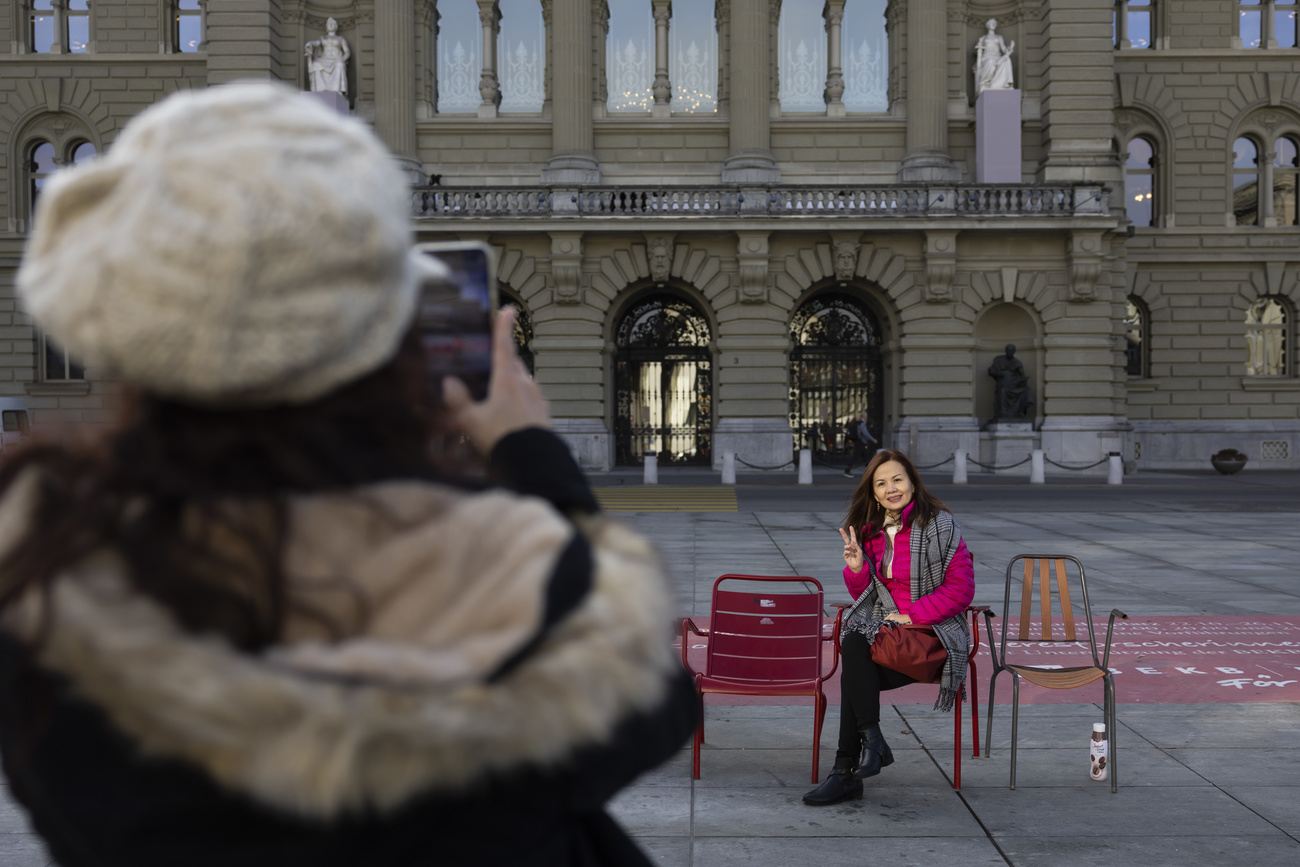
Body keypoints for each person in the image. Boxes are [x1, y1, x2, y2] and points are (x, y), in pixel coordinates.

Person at [0, 83, 696, 866]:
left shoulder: (43, 581)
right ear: (385, 331)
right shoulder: (498, 572)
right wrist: (530, 454)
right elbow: (655, 704)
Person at [804, 450, 974, 806]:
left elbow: (961, 589)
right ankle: (866, 747)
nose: (890, 488)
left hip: (932, 637)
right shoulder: (870, 531)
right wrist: (856, 568)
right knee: (854, 651)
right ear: (874, 492)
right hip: (888, 634)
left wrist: (913, 615)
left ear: (912, 481)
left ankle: (848, 768)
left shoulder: (941, 526)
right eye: (881, 483)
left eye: (897, 479)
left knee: (854, 664)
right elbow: (866, 596)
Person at [987, 343, 1034, 419]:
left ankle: (1019, 412)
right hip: (1002, 384)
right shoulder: (998, 360)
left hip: (1014, 384)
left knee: (1026, 390)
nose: (1009, 352)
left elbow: (1022, 376)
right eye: (1008, 350)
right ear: (1006, 351)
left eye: (1011, 350)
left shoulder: (1017, 363)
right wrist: (998, 373)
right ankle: (1003, 413)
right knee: (1003, 391)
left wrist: (1023, 380)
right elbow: (991, 371)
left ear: (1014, 351)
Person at [305, 17, 350, 95]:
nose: (331, 25)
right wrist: (310, 43)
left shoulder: (340, 38)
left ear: (336, 26)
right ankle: (320, 90)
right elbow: (316, 43)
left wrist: (343, 59)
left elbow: (347, 51)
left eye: (333, 24)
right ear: (326, 26)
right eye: (329, 24)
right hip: (324, 59)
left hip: (336, 59)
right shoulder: (322, 37)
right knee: (316, 64)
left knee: (340, 65)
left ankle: (337, 91)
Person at [974, 18, 1015, 94]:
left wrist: (1009, 50)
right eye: (991, 23)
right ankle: (986, 82)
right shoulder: (983, 38)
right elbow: (979, 49)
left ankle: (1004, 84)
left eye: (994, 23)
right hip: (987, 57)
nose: (993, 25)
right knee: (990, 62)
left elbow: (1003, 48)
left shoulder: (999, 37)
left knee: (1007, 60)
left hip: (997, 57)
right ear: (988, 26)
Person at [842, 410, 879, 477]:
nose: (867, 417)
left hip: (859, 442)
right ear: (864, 417)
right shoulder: (862, 423)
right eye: (866, 416)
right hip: (860, 442)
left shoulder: (858, 422)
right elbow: (866, 433)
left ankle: (871, 471)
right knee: (855, 457)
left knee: (865, 457)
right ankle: (847, 471)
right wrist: (873, 440)